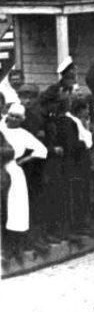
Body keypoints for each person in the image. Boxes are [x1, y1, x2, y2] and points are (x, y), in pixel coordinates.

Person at [1, 103, 48, 262]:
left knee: (15, 210)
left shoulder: (23, 134)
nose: (13, 119)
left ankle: (15, 248)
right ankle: (5, 248)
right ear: (7, 114)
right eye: (11, 115)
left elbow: (42, 150)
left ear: (22, 119)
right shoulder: (1, 128)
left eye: (18, 117)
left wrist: (24, 160)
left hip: (13, 170)